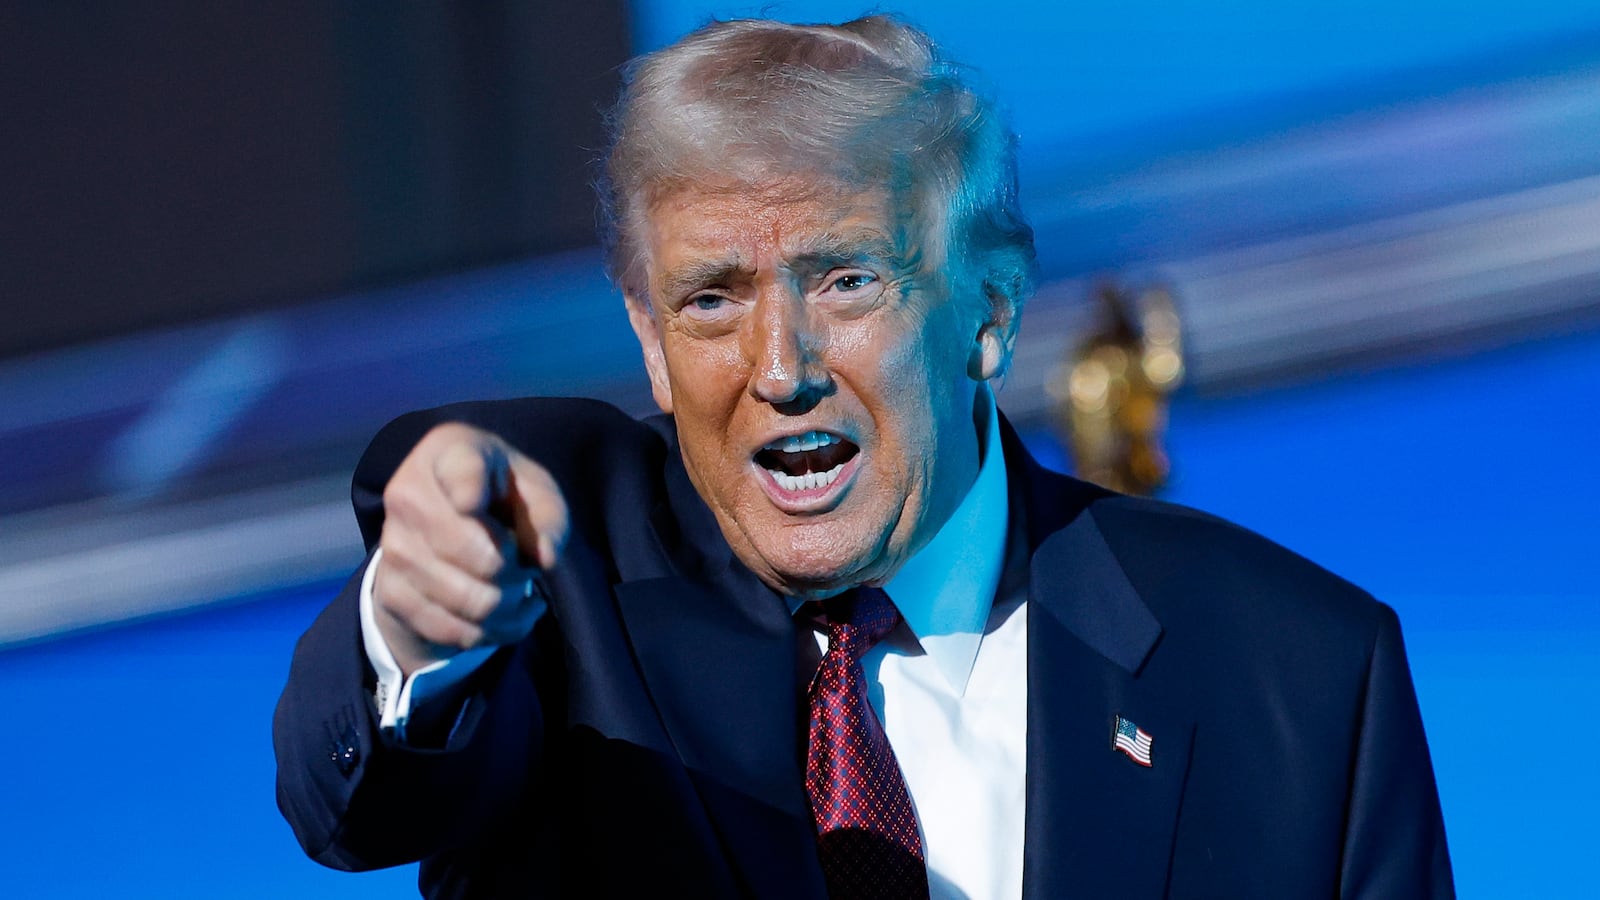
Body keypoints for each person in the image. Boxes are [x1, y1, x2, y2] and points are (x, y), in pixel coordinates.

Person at [274, 14, 1453, 899]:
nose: (778, 364)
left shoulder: (1297, 675)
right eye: (710, 299)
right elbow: (360, 806)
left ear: (988, 308)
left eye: (846, 281)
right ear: (645, 339)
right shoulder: (568, 587)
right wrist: (421, 632)